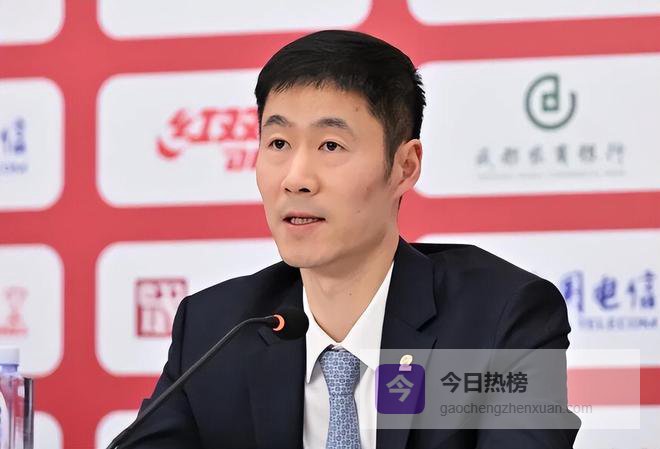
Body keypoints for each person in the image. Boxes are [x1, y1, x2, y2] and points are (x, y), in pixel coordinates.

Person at [121, 30, 579, 449]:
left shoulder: (500, 319)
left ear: (404, 167)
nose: (296, 179)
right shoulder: (215, 330)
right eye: (278, 144)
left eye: (330, 146)